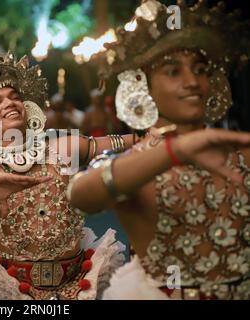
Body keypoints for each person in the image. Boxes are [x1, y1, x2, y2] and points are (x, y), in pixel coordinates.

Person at [68, 0, 250, 299]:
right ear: (144, 85)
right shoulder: (131, 165)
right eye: (173, 71)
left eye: (200, 69)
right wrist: (175, 150)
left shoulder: (240, 153)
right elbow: (80, 195)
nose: (192, 82)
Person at [0, 52, 134, 300]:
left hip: (79, 284)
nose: (9, 103)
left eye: (15, 97)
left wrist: (155, 135)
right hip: (11, 290)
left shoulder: (60, 147)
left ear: (27, 107)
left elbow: (124, 142)